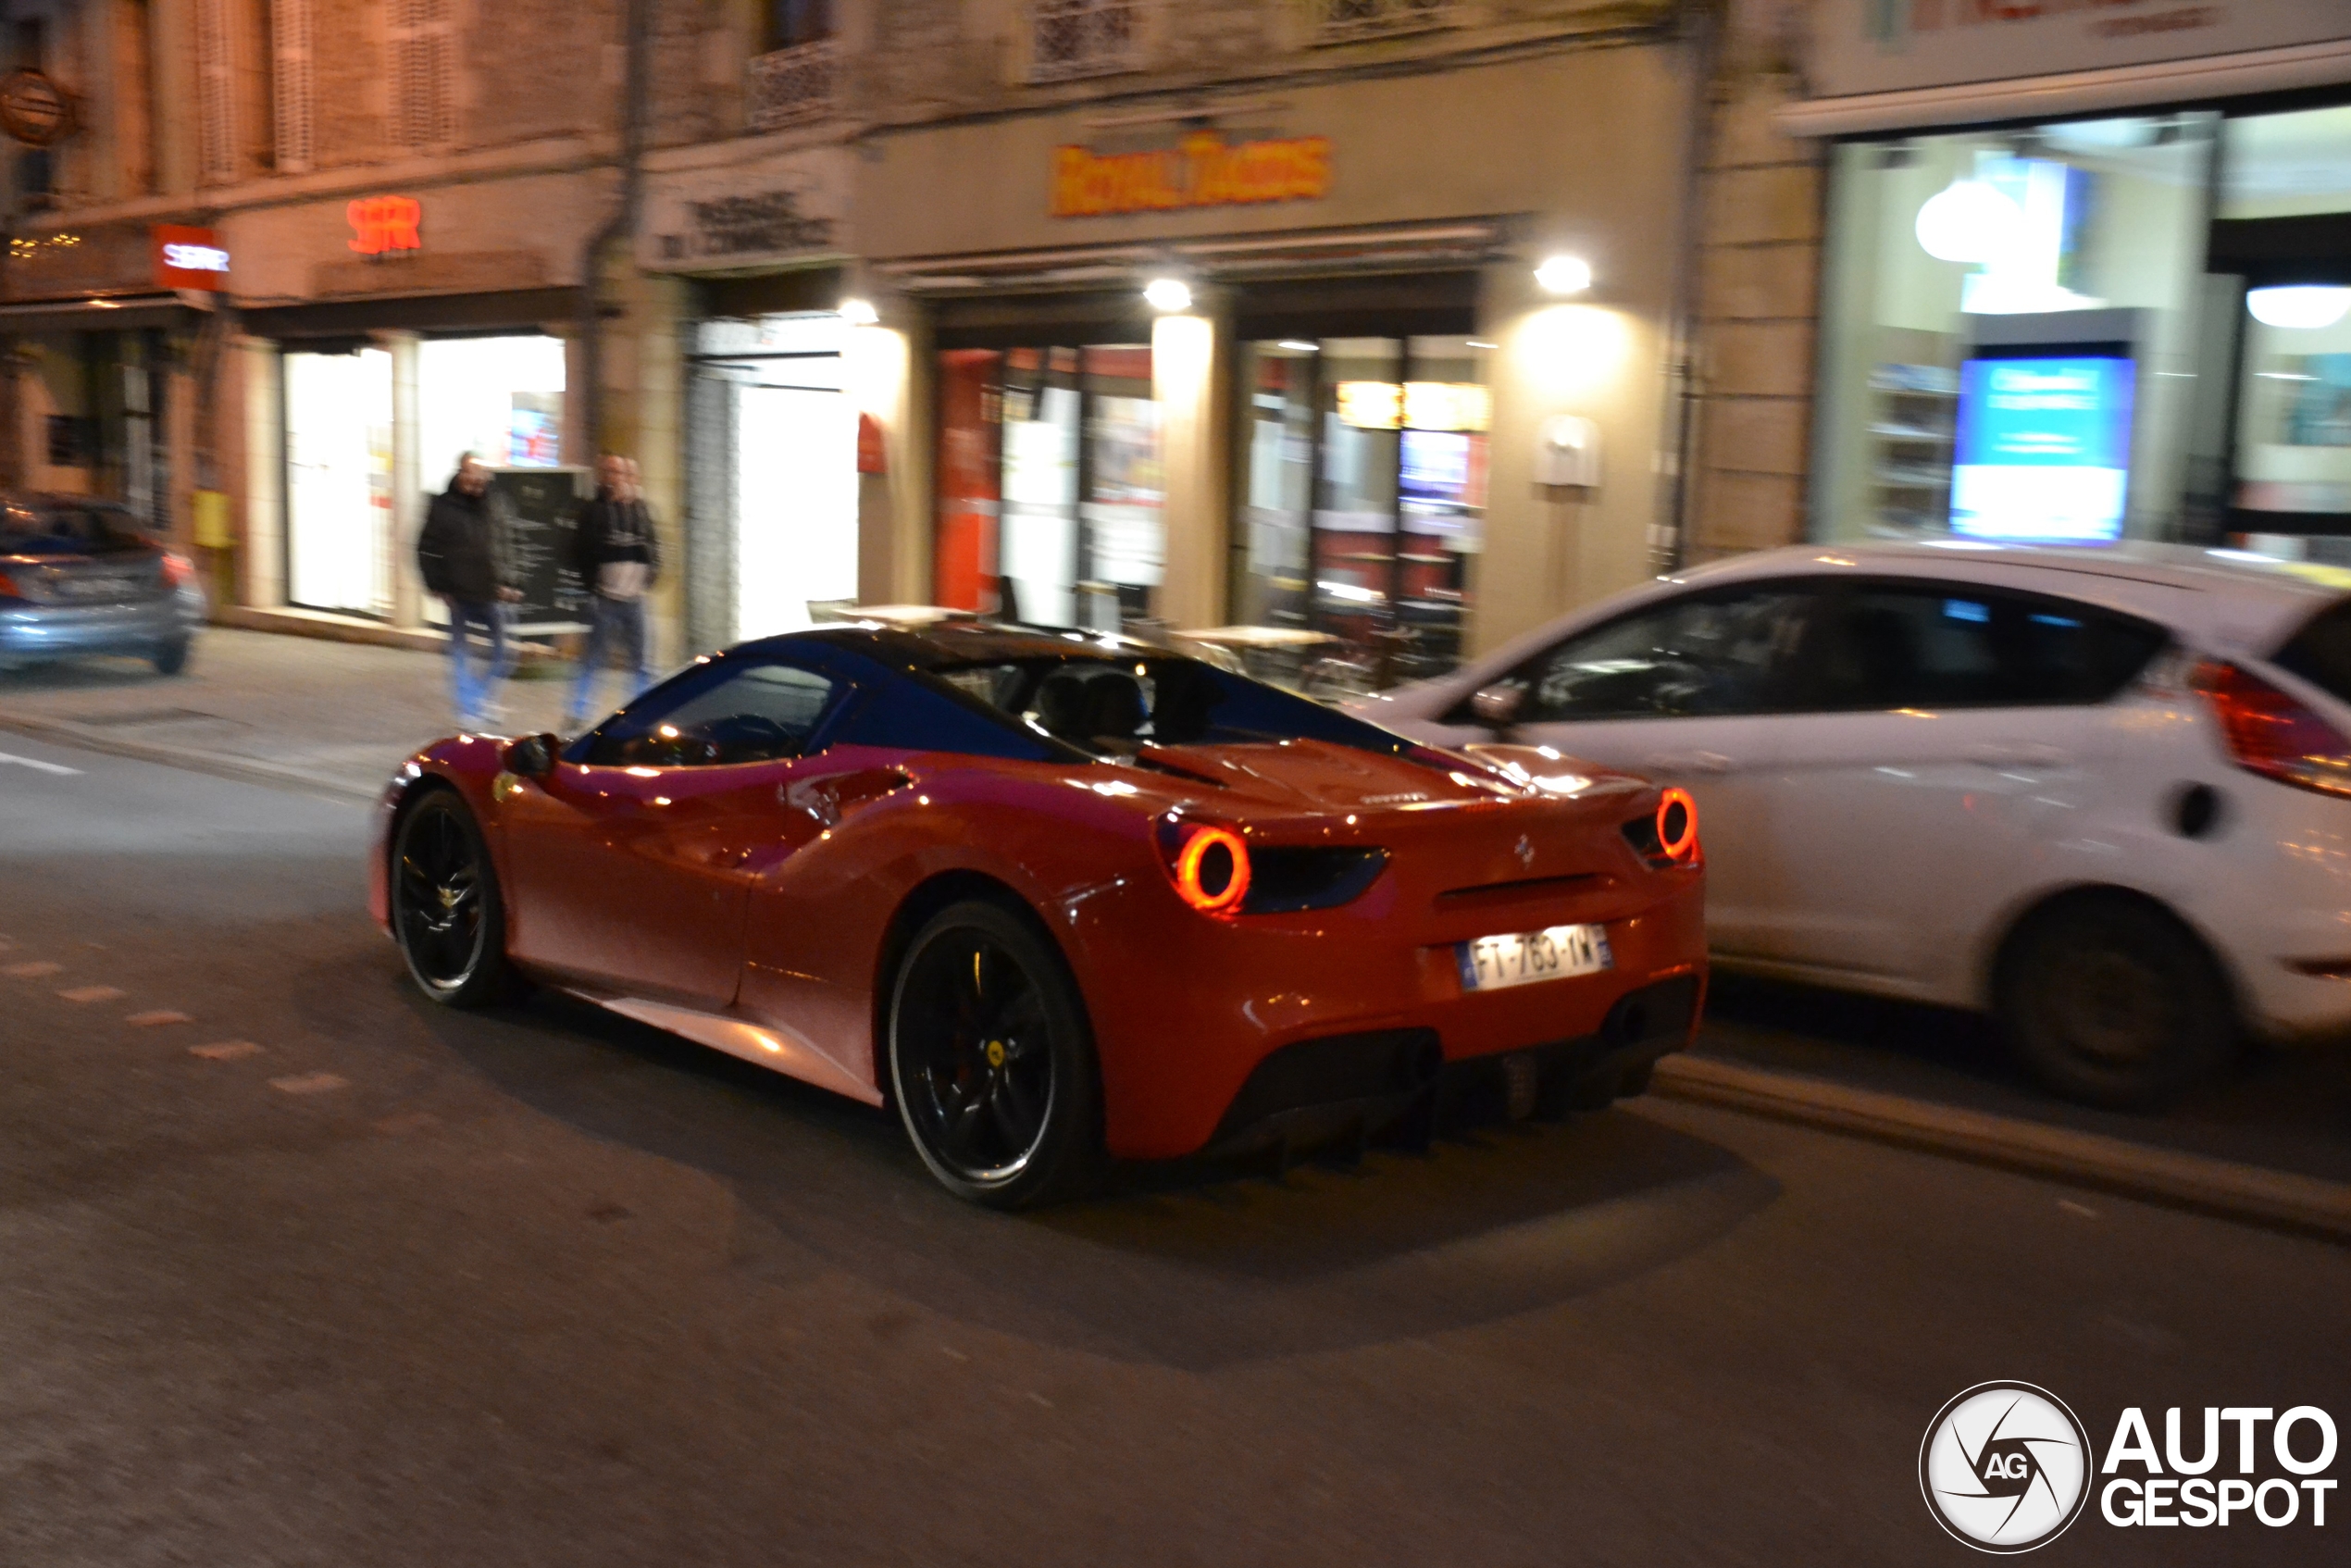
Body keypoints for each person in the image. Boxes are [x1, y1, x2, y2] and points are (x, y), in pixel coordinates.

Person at [416, 454, 522, 729]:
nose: (475, 480)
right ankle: (468, 708)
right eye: (470, 474)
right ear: (460, 474)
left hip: (493, 591)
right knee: (460, 653)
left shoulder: (497, 502)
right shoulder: (443, 506)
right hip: (459, 592)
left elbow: (511, 542)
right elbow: (425, 548)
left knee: (505, 653)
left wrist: (513, 582)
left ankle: (481, 699)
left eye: (480, 475)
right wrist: (436, 584)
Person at [564, 453, 661, 730]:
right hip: (604, 599)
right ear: (604, 477)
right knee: (592, 661)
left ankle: (639, 718)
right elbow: (579, 550)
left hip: (635, 599)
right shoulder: (593, 510)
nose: (617, 478)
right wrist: (591, 587)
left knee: (642, 662)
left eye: (623, 473)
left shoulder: (641, 509)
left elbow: (653, 545)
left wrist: (650, 574)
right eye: (611, 472)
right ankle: (577, 715)